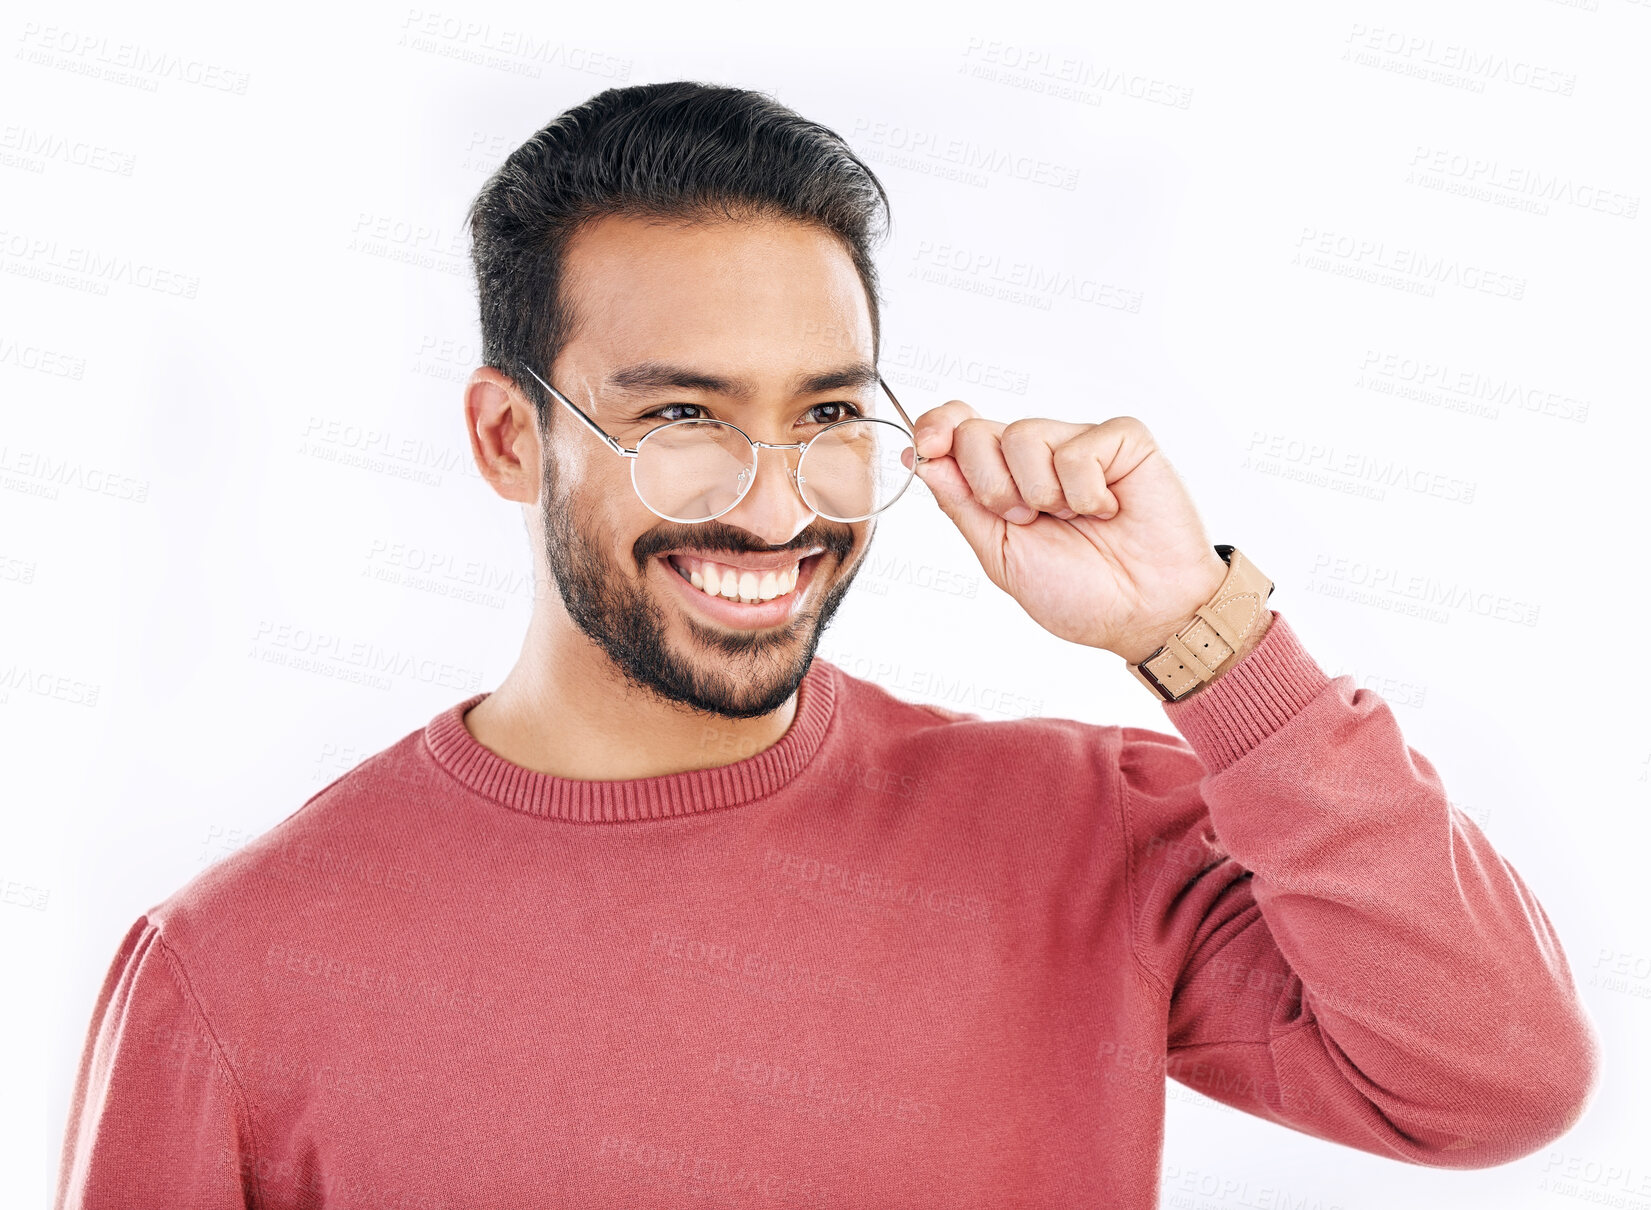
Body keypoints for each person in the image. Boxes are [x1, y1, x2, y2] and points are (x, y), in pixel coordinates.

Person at [54, 81, 1599, 1209]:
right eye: (680, 417)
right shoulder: (233, 973)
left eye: (828, 415)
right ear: (508, 434)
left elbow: (1495, 1083)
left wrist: (1205, 637)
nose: (775, 503)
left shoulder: (1082, 834)